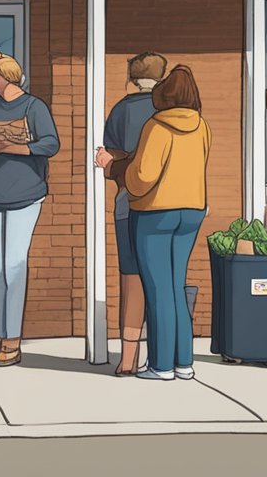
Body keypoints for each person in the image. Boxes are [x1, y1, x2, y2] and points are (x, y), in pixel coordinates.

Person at [97, 66, 211, 381]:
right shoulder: (201, 126)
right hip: (192, 211)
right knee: (176, 285)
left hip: (155, 212)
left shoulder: (156, 126)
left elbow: (142, 177)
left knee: (158, 289)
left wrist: (118, 172)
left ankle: (161, 365)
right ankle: (184, 362)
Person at [0, 50, 60, 368]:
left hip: (25, 196)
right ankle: (3, 334)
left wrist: (16, 147)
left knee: (15, 267)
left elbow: (50, 143)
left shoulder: (34, 107)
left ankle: (12, 342)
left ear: (7, 73)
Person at [97, 51, 166, 376]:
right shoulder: (170, 110)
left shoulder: (122, 110)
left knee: (132, 280)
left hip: (128, 203)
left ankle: (128, 359)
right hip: (168, 205)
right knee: (164, 281)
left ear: (133, 75)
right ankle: (164, 356)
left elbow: (110, 161)